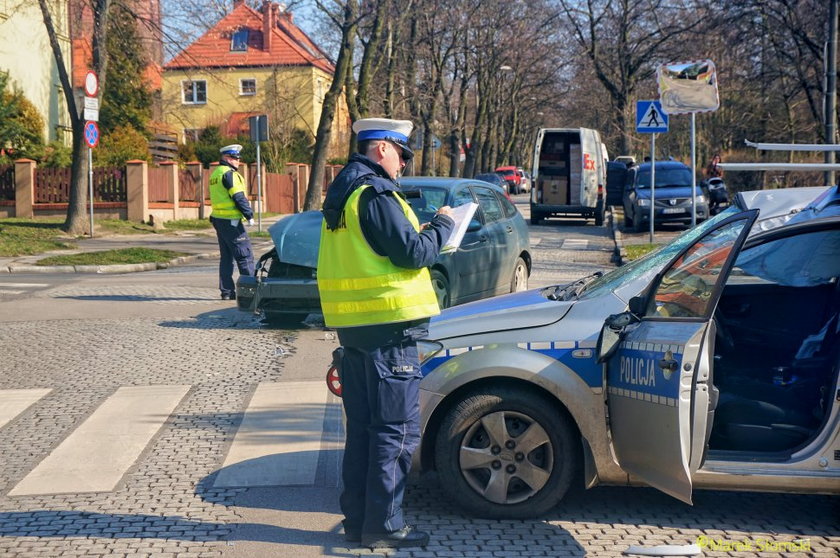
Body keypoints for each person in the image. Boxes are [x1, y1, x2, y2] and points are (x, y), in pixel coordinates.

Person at [317, 118, 455, 549]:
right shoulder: (374, 193)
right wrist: (444, 226)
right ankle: (385, 526)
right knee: (394, 435)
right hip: (389, 336)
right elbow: (413, 252)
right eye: (401, 154)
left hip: (357, 335)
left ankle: (359, 522)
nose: (402, 165)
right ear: (381, 149)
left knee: (364, 433)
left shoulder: (342, 192)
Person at [209, 144, 255, 300]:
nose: (238, 161)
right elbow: (238, 197)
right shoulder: (229, 175)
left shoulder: (215, 173)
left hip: (219, 220)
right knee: (244, 255)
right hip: (232, 221)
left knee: (227, 257)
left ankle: (227, 292)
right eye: (235, 158)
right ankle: (250, 293)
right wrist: (249, 214)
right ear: (227, 158)